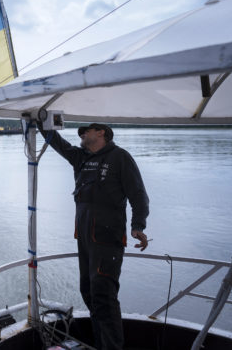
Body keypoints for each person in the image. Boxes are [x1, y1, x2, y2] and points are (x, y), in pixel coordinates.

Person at [37, 122, 149, 350]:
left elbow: (138, 195)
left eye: (85, 130)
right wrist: (41, 121)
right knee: (87, 290)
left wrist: (138, 225)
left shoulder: (120, 157)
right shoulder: (81, 158)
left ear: (102, 132)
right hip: (85, 239)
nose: (81, 134)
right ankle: (101, 343)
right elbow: (58, 143)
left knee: (104, 296)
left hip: (108, 240)